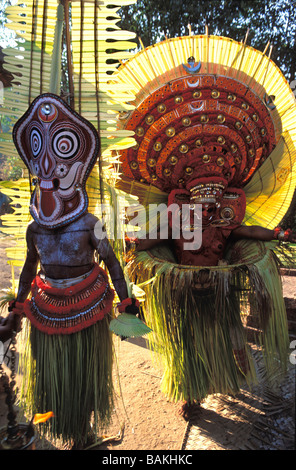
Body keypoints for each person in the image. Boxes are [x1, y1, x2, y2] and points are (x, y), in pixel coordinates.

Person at [9, 93, 138, 447]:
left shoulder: (90, 224)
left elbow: (112, 262)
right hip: (46, 308)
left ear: (77, 171)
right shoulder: (35, 229)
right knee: (56, 382)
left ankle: (82, 431)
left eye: (60, 166)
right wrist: (18, 308)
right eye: (42, 169)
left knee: (85, 378)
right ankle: (70, 429)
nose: (50, 171)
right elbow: (28, 268)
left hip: (88, 303)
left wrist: (126, 302)